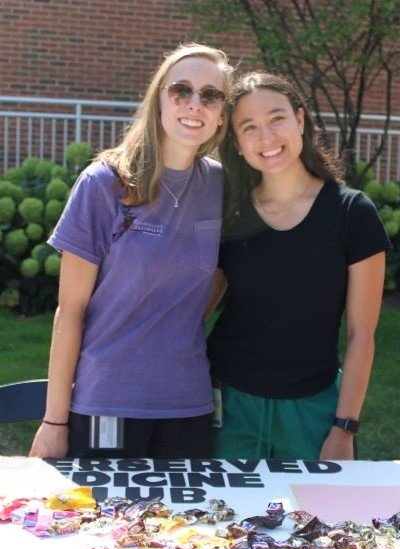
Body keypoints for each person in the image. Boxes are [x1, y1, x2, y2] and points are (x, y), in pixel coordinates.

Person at [29, 42, 232, 459]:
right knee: (107, 524)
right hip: (108, 403)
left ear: (221, 115)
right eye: (181, 90)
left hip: (187, 405)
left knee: (188, 526)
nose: (195, 104)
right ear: (158, 98)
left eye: (210, 96)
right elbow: (70, 310)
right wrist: (54, 421)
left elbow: (221, 274)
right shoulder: (104, 183)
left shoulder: (220, 186)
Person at [207, 71, 391, 461]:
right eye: (250, 127)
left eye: (277, 118)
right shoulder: (230, 215)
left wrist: (344, 429)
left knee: (319, 522)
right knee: (218, 523)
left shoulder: (352, 214)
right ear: (238, 144)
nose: (268, 137)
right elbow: (193, 312)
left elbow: (362, 335)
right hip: (231, 406)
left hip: (314, 410)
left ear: (301, 121)